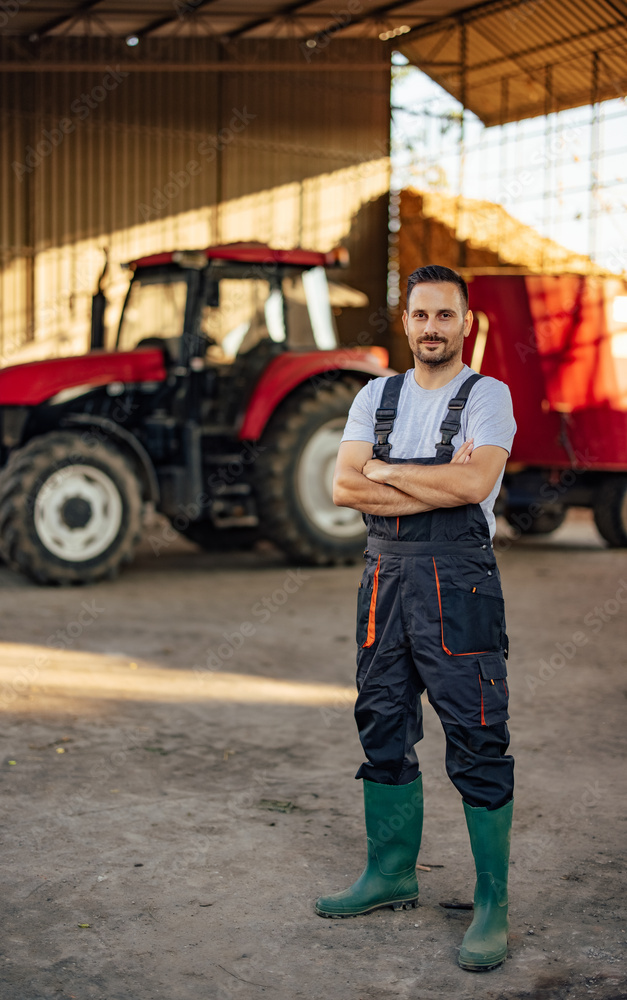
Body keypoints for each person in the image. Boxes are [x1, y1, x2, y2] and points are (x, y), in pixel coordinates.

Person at [315, 264, 517, 972]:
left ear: (465, 324)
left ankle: (490, 904)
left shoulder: (487, 396)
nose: (431, 327)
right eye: (420, 315)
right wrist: (429, 483)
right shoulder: (376, 394)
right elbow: (342, 487)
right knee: (381, 717)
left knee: (475, 731)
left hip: (456, 583)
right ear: (405, 323)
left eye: (445, 316)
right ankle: (391, 875)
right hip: (384, 579)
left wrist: (386, 472)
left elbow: (473, 485)